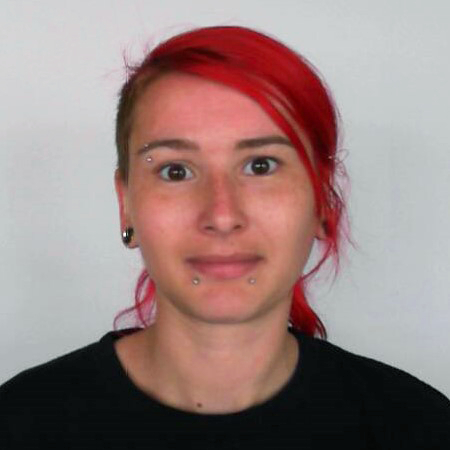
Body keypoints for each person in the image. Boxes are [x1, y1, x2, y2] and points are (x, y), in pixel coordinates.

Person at [0, 25, 449, 449]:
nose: (221, 215)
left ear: (323, 200)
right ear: (127, 203)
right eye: (175, 171)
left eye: (261, 166)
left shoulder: (419, 427)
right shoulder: (18, 424)